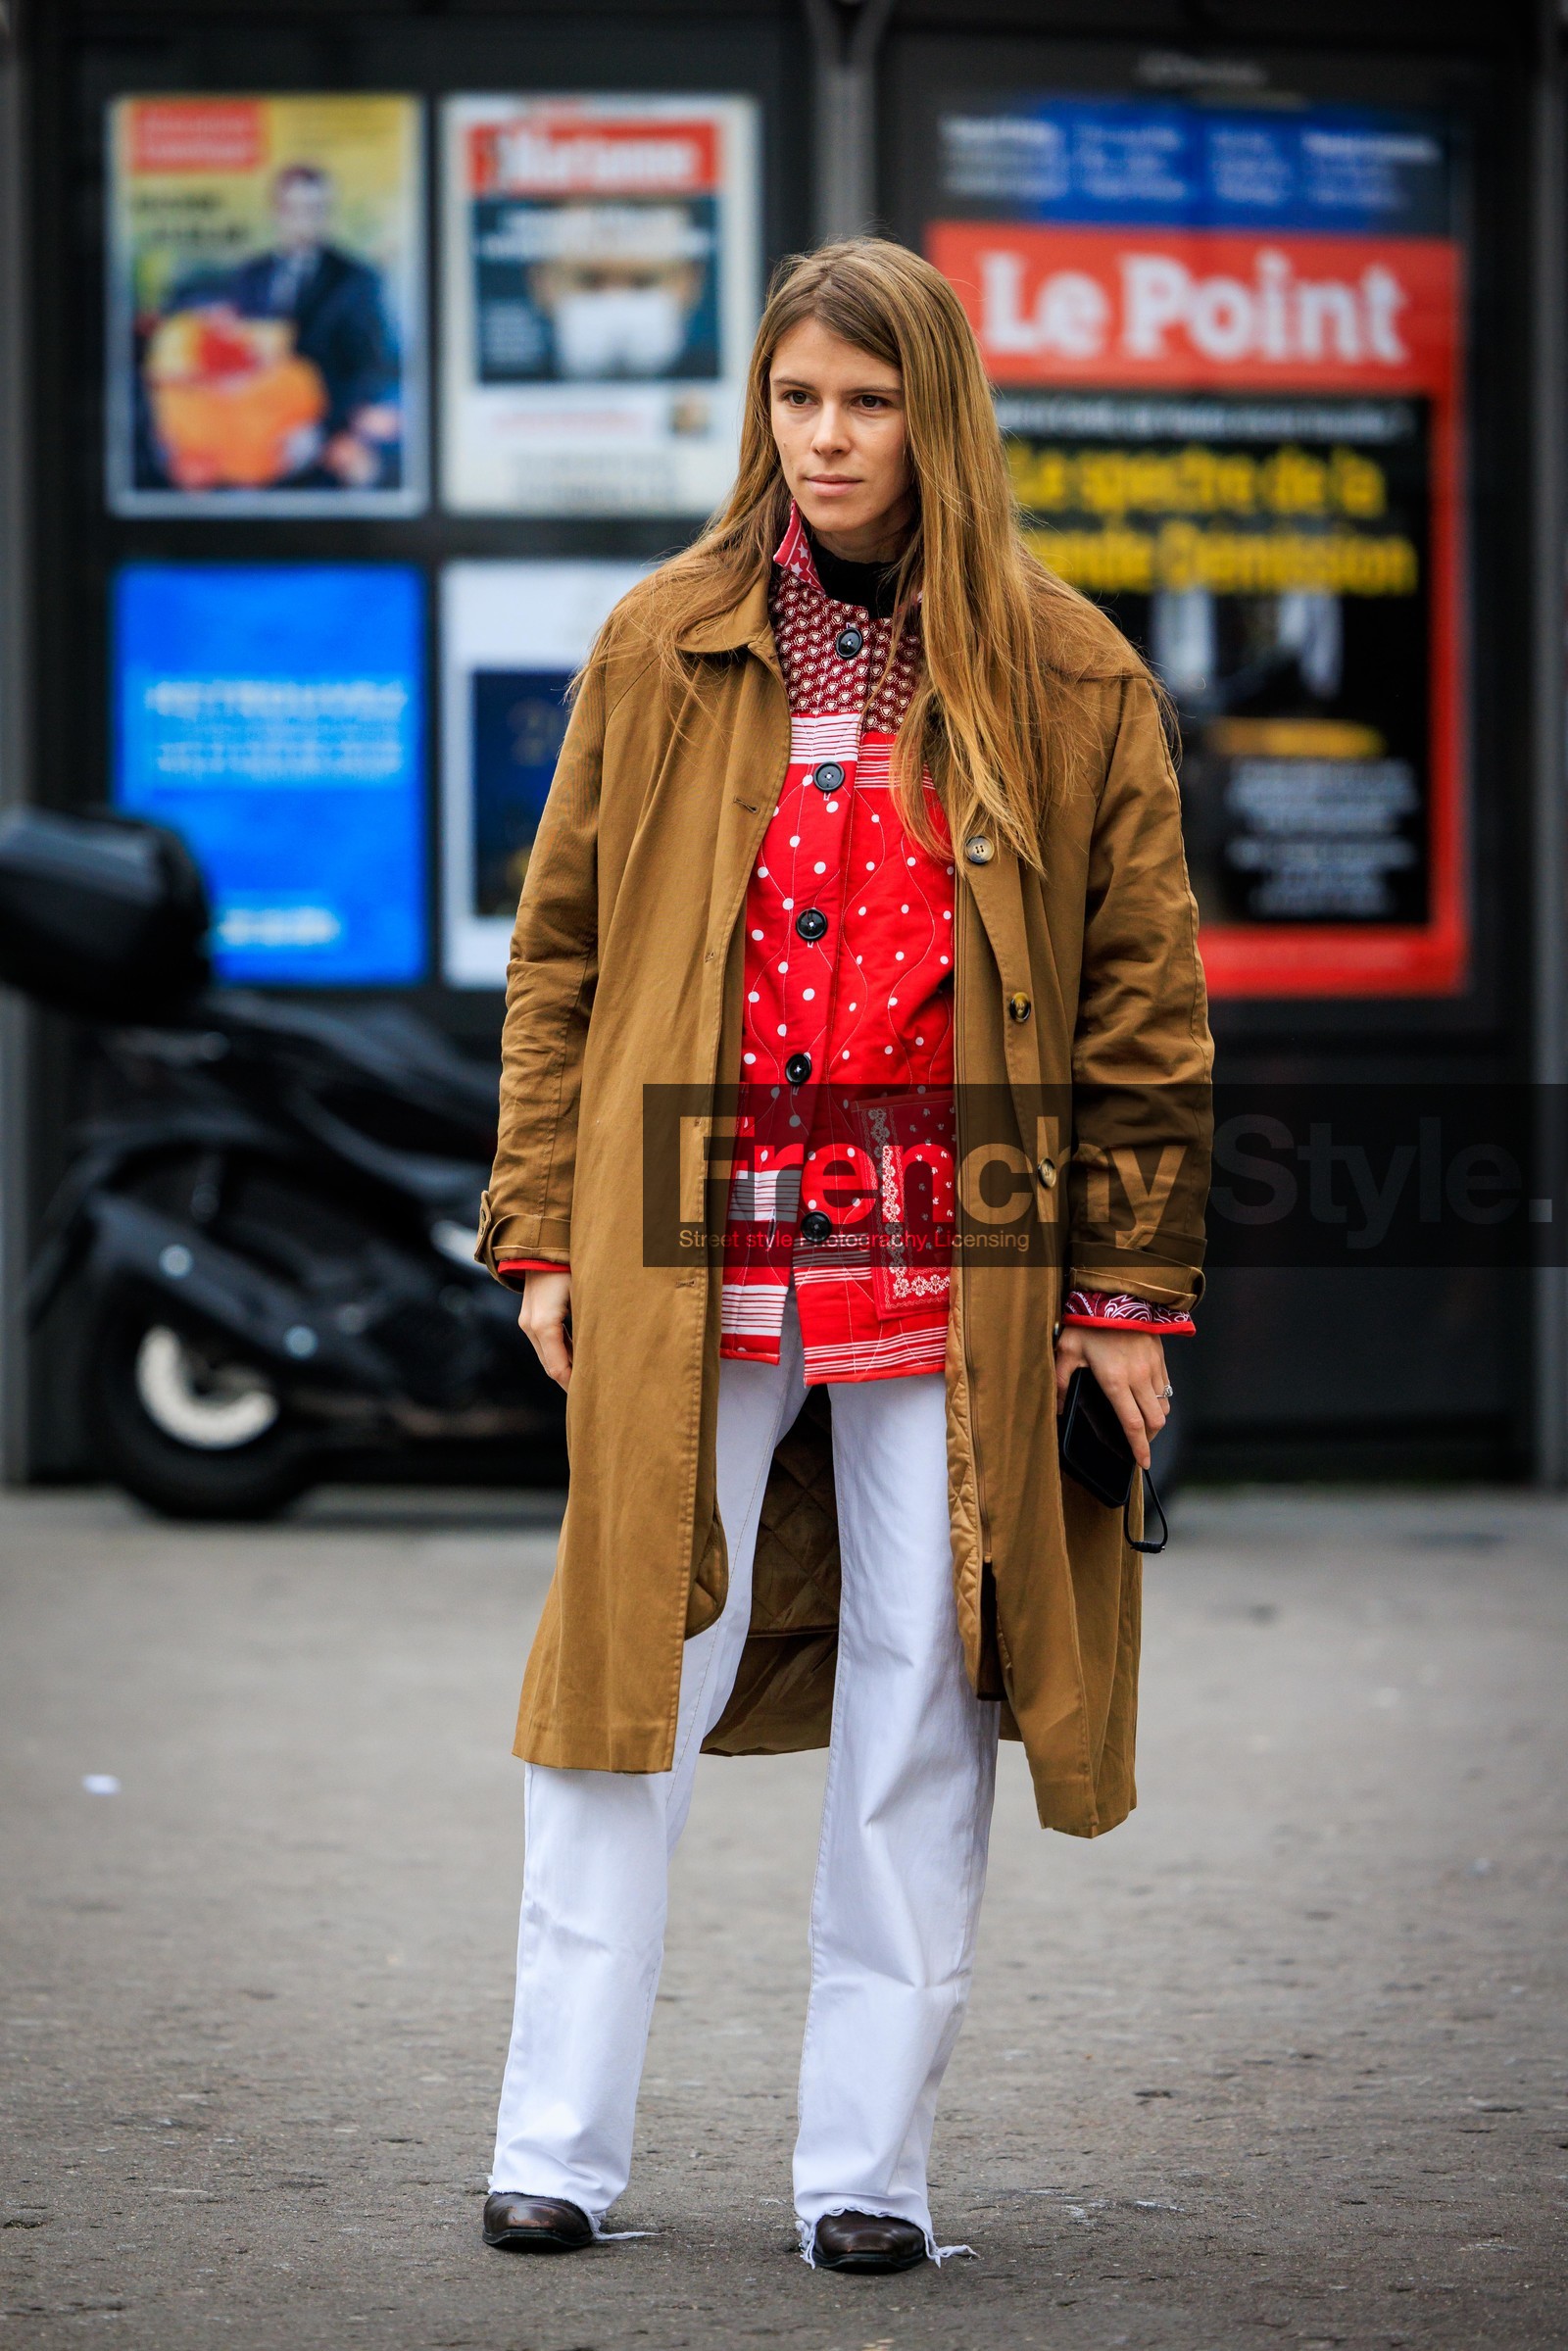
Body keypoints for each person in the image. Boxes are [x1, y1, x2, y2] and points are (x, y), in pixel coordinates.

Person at [475, 238, 1212, 2274]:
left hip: (954, 1243)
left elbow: (1145, 1013)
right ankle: (554, 2141)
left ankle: (862, 2174)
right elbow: (561, 956)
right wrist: (539, 1221)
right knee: (621, 1680)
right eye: (796, 400)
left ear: (935, 416)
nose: (824, 440)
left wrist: (1129, 1295)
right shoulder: (661, 640)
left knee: (919, 1694)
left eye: (864, 402)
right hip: (678, 1219)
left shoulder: (1065, 676)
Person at [221, 164, 402, 486]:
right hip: (250, 442)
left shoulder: (356, 280)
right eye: (294, 209)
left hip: (325, 446)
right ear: (276, 211)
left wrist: (323, 431)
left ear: (327, 214)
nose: (304, 220)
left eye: (315, 209)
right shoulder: (250, 276)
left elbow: (371, 366)